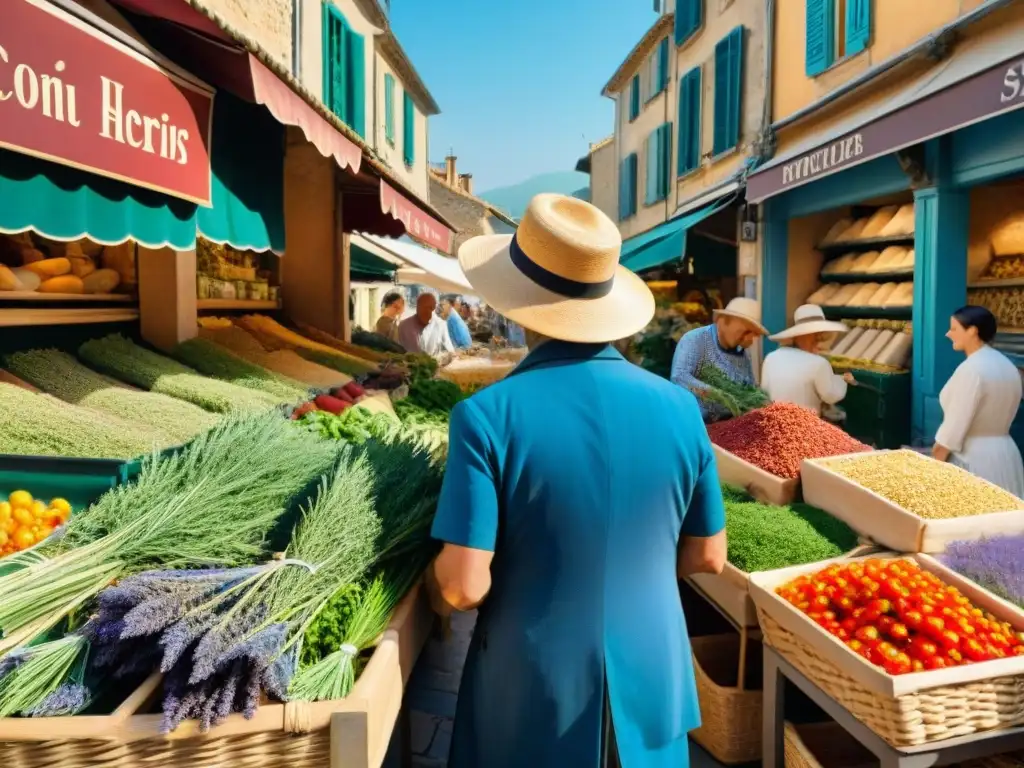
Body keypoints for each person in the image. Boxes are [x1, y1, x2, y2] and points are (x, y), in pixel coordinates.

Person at [426, 193, 727, 768]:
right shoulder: (680, 408)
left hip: (533, 693)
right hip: (653, 679)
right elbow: (709, 554)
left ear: (515, 306)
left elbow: (464, 586)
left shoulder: (486, 416)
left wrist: (428, 580)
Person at [932, 305, 1024, 496]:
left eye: (954, 329)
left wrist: (934, 464)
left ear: (972, 331)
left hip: (973, 458)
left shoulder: (971, 370)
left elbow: (952, 430)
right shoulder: (1008, 366)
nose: (948, 334)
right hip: (1006, 456)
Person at [670, 297, 768, 421]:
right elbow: (679, 377)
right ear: (723, 322)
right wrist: (717, 394)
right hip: (694, 423)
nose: (749, 339)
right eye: (746, 331)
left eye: (753, 334)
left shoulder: (742, 355)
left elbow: (750, 387)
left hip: (728, 427)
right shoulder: (695, 340)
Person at [761, 304, 855, 414]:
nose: (817, 340)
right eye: (815, 336)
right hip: (805, 427)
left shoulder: (771, 358)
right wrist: (842, 380)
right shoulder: (819, 363)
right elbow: (830, 395)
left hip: (773, 424)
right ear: (800, 335)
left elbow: (763, 395)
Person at [398, 292, 455, 357]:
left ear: (434, 308)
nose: (427, 311)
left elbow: (450, 349)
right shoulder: (404, 325)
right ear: (417, 307)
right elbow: (399, 351)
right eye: (424, 307)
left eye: (430, 308)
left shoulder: (441, 324)